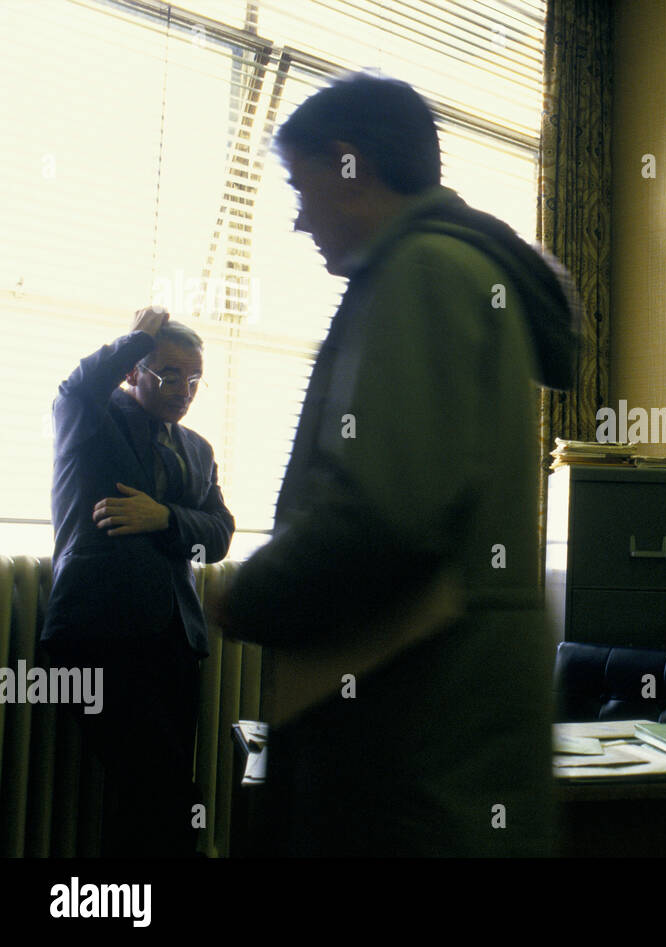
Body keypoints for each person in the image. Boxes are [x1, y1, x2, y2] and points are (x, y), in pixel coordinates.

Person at [216, 74, 580, 856]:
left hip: (413, 742)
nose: (297, 216)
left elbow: (382, 515)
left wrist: (244, 594)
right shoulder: (445, 270)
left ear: (350, 165)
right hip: (439, 733)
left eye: (300, 184)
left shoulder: (423, 274)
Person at [42, 307, 235, 856]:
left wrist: (165, 517)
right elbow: (77, 386)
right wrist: (137, 338)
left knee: (146, 793)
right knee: (160, 788)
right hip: (101, 632)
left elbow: (219, 534)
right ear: (133, 371)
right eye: (169, 374)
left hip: (176, 641)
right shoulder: (90, 416)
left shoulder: (197, 449)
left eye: (194, 379)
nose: (184, 391)